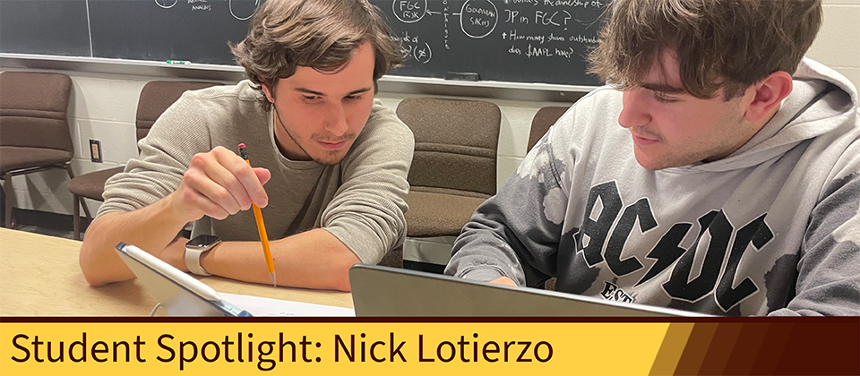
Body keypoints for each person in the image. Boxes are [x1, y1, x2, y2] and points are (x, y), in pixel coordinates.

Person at [446, 0, 860, 315]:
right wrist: (492, 294)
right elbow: (498, 235)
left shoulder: (841, 167)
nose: (626, 117)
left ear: (763, 96)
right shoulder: (595, 117)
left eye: (664, 95)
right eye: (625, 81)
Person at [79, 0, 413, 292]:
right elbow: (96, 261)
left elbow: (342, 261)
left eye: (355, 96)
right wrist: (177, 207)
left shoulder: (383, 134)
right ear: (267, 87)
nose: (339, 126)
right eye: (312, 98)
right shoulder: (202, 117)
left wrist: (190, 254)